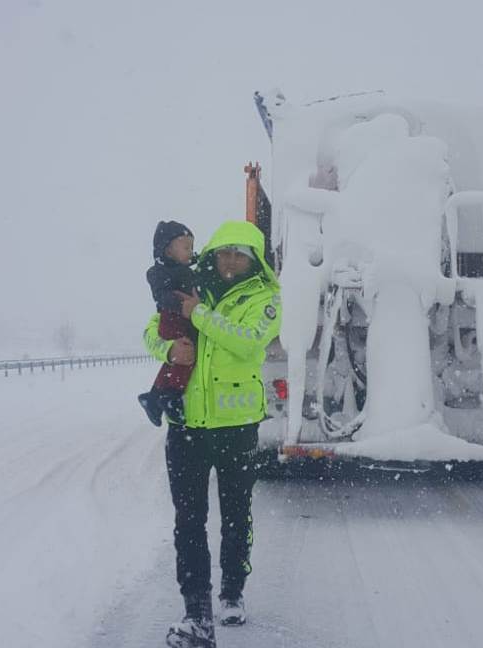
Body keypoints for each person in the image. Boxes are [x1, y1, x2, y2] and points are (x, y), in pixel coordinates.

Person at [143, 220, 281, 648]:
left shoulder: (267, 298)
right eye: (224, 252)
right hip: (186, 425)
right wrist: (168, 349)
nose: (231, 260)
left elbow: (248, 342)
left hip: (236, 428)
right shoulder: (189, 284)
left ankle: (232, 592)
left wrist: (197, 315)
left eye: (240, 254)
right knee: (189, 521)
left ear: (253, 259)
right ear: (214, 254)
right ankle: (197, 614)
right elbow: (151, 329)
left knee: (236, 515)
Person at [138, 221, 201, 427]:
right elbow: (161, 297)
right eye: (186, 248)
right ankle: (172, 395)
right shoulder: (158, 273)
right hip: (172, 320)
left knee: (173, 362)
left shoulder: (183, 270)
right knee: (186, 356)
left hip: (181, 320)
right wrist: (180, 305)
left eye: (192, 247)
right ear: (168, 251)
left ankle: (154, 397)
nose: (191, 252)